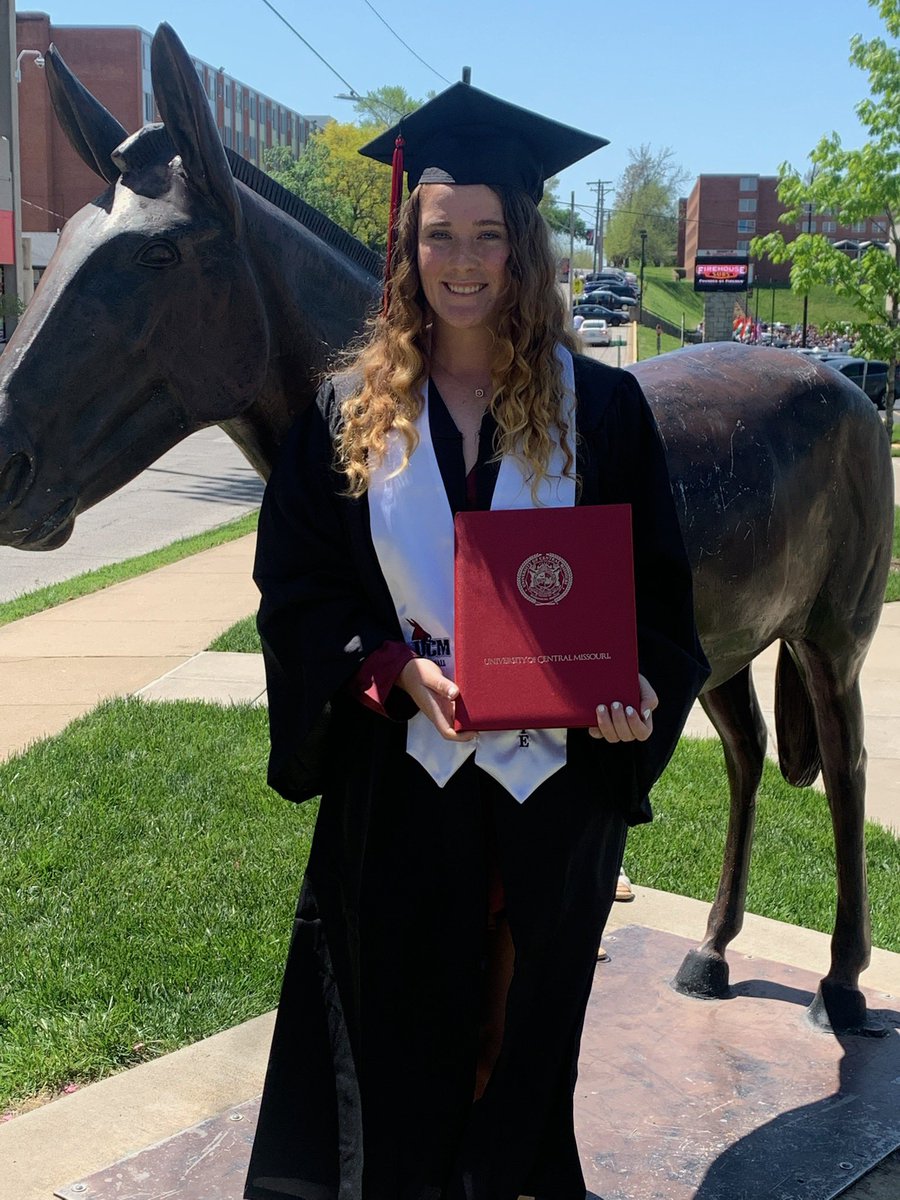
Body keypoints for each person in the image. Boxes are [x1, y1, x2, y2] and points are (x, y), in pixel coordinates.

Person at [244, 82, 709, 1200]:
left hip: (555, 798)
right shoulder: (347, 416)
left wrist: (635, 691)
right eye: (440, 234)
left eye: (488, 235)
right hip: (406, 792)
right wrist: (391, 669)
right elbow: (297, 591)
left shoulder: (604, 412)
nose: (463, 261)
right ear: (408, 248)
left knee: (530, 1051)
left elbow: (658, 602)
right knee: (403, 1046)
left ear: (523, 246)